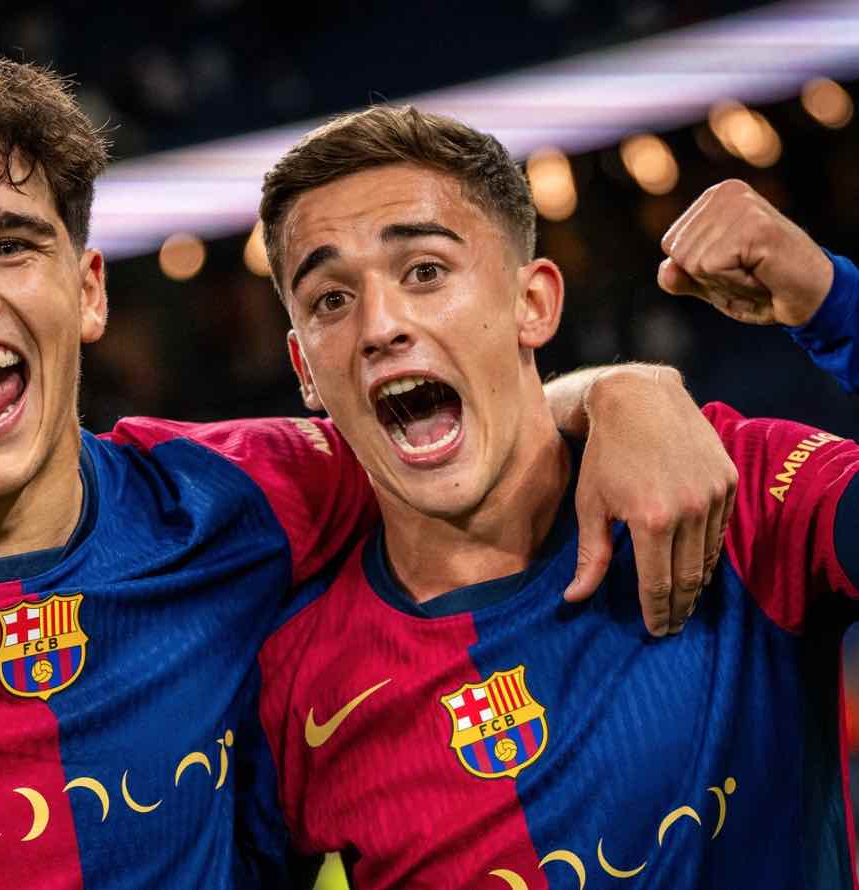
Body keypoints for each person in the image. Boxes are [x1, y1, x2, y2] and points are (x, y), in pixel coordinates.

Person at [0, 54, 733, 888]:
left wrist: (621, 392)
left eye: (11, 242)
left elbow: (448, 423)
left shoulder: (243, 499)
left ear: (87, 291)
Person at [253, 105, 859, 888]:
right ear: (305, 369)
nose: (380, 325)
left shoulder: (728, 487)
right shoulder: (291, 681)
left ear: (533, 303)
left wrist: (834, 302)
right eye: (331, 299)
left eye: (425, 272)